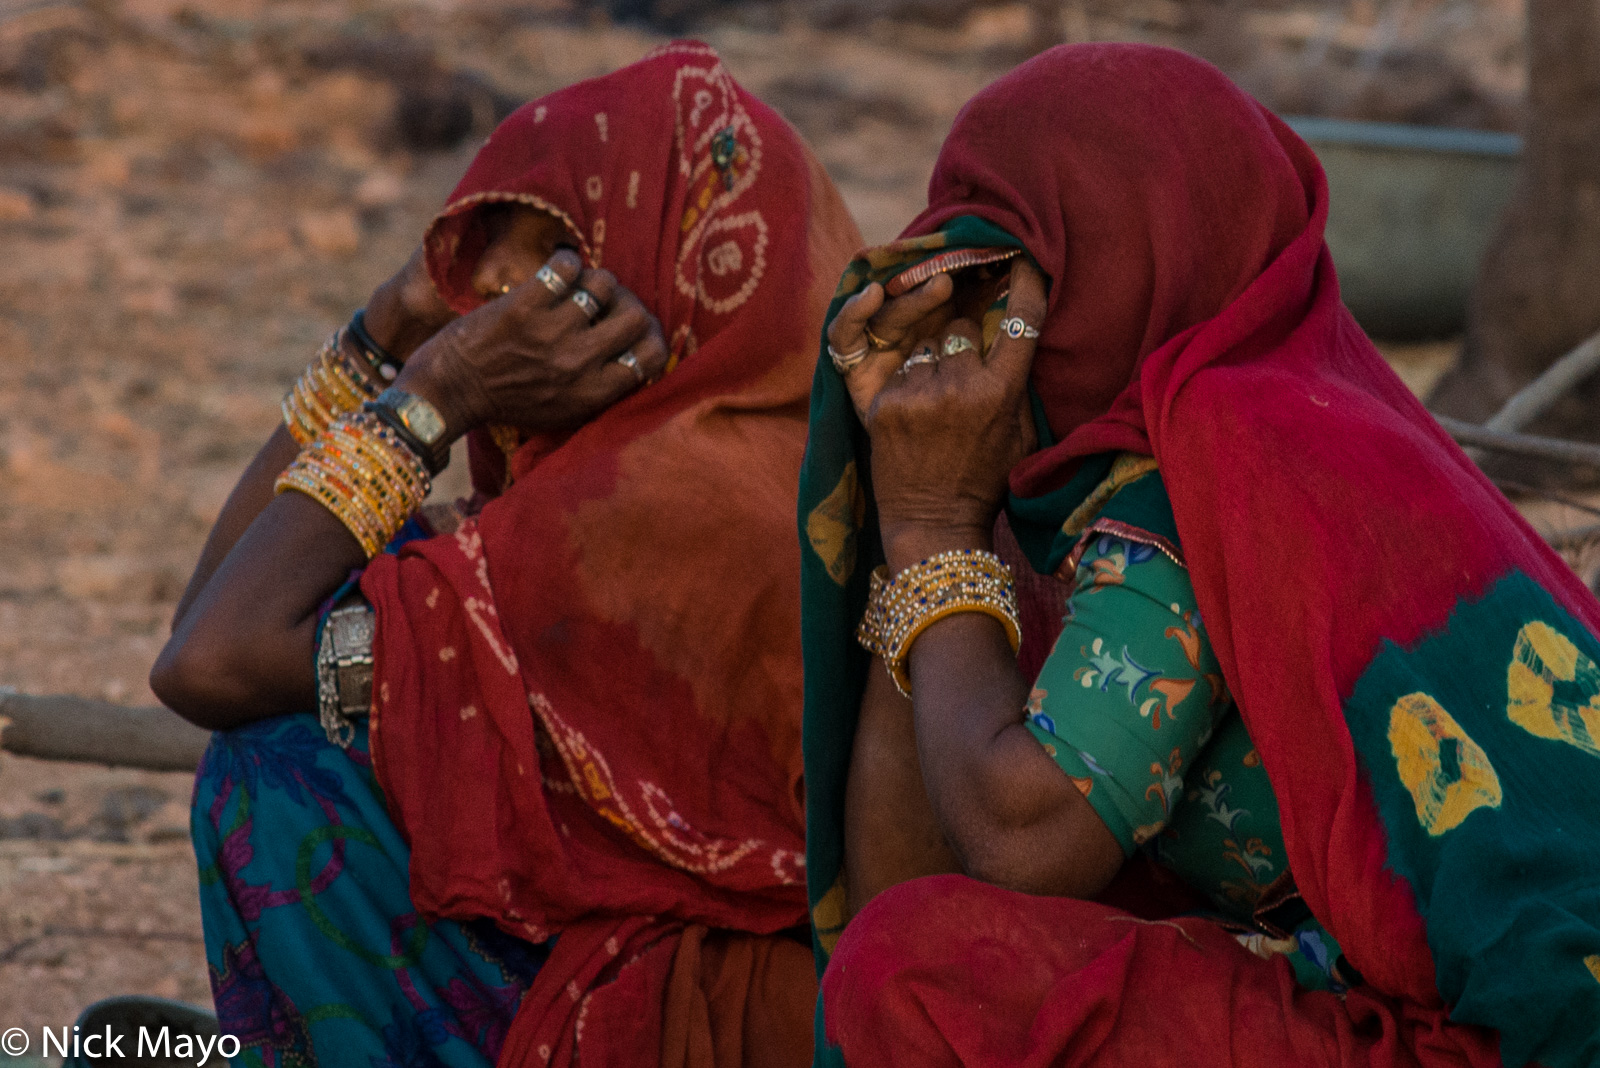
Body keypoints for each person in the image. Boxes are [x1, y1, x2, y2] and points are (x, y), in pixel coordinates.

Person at [796, 43, 1600, 1068]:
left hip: (1508, 1034)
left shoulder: (1219, 455)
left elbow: (1020, 842)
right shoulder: (1257, 433)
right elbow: (900, 881)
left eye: (1008, 275)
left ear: (1128, 262)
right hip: (1387, 982)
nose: (977, 331)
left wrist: (929, 530)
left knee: (918, 979)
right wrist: (922, 516)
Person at [153, 42, 860, 1068]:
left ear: (668, 266)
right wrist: (390, 327)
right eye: (481, 262)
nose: (490, 295)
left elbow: (209, 660)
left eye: (546, 258)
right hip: (684, 977)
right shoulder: (784, 452)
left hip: (693, 1022)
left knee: (275, 772)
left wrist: (432, 396)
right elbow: (218, 609)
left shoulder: (650, 517)